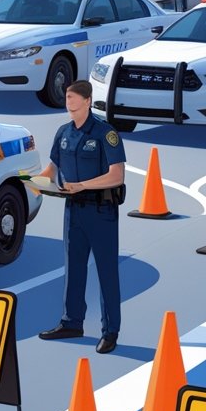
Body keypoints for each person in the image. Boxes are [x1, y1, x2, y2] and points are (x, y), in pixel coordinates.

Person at [38, 80, 126, 354]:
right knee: (73, 269)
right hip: (73, 210)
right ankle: (71, 322)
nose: (69, 101)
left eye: (74, 97)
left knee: (106, 273)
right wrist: (33, 183)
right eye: (67, 96)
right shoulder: (63, 132)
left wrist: (83, 185)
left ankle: (110, 331)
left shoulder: (105, 133)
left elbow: (117, 174)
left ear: (88, 101)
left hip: (101, 211)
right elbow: (52, 168)